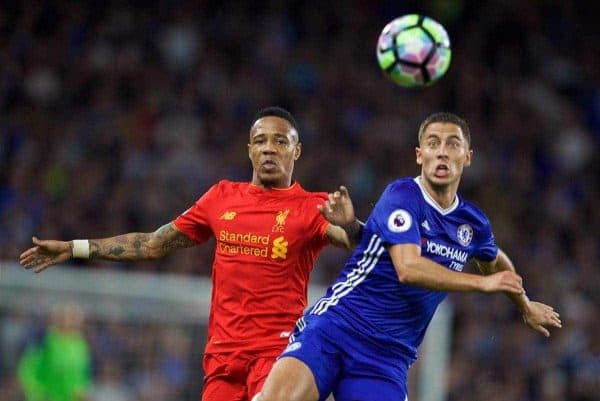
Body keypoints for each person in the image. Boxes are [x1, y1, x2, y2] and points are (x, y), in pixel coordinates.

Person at [19, 106, 362, 401]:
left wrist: (350, 225)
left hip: (277, 353)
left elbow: (354, 243)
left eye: (280, 141)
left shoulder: (312, 206)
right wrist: (76, 247)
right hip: (223, 359)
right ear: (249, 150)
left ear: (296, 151)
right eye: (260, 141)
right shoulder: (222, 197)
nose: (269, 149)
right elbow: (153, 243)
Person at [255, 112, 563, 401]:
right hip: (336, 328)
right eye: (433, 143)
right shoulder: (402, 196)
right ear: (420, 155)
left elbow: (495, 262)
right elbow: (408, 267)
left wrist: (524, 305)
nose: (442, 152)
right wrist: (482, 284)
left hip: (388, 358)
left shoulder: (473, 222)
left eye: (452, 144)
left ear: (467, 157)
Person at [17, 303, 92, 401]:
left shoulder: (80, 344)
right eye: (64, 317)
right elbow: (27, 369)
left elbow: (82, 375)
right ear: (56, 319)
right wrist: (37, 394)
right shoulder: (43, 340)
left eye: (73, 318)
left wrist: (82, 393)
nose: (68, 321)